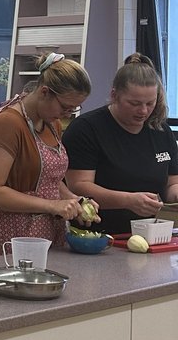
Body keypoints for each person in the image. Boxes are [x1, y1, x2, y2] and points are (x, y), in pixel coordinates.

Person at [0, 52, 91, 257]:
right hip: (10, 237)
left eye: (74, 109)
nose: (67, 114)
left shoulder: (52, 123)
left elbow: (49, 180)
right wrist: (52, 205)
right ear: (45, 92)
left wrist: (75, 201)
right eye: (65, 107)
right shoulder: (7, 124)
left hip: (46, 236)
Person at [65, 53, 178, 233]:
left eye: (150, 103)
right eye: (134, 103)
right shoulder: (86, 129)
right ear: (114, 95)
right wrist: (127, 201)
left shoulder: (161, 131)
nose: (143, 111)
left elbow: (171, 185)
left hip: (151, 234)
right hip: (98, 235)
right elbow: (78, 186)